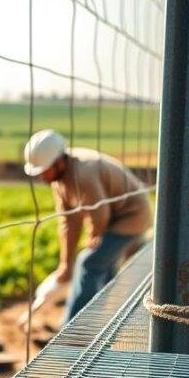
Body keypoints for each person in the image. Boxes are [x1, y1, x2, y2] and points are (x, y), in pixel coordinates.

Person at [22, 129, 152, 323]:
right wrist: (65, 264)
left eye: (44, 170)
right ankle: (98, 322)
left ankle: (71, 332)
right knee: (102, 268)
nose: (41, 176)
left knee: (89, 263)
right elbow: (68, 222)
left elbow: (100, 212)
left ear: (59, 161)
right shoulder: (59, 180)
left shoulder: (83, 172)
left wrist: (95, 235)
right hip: (113, 217)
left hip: (132, 216)